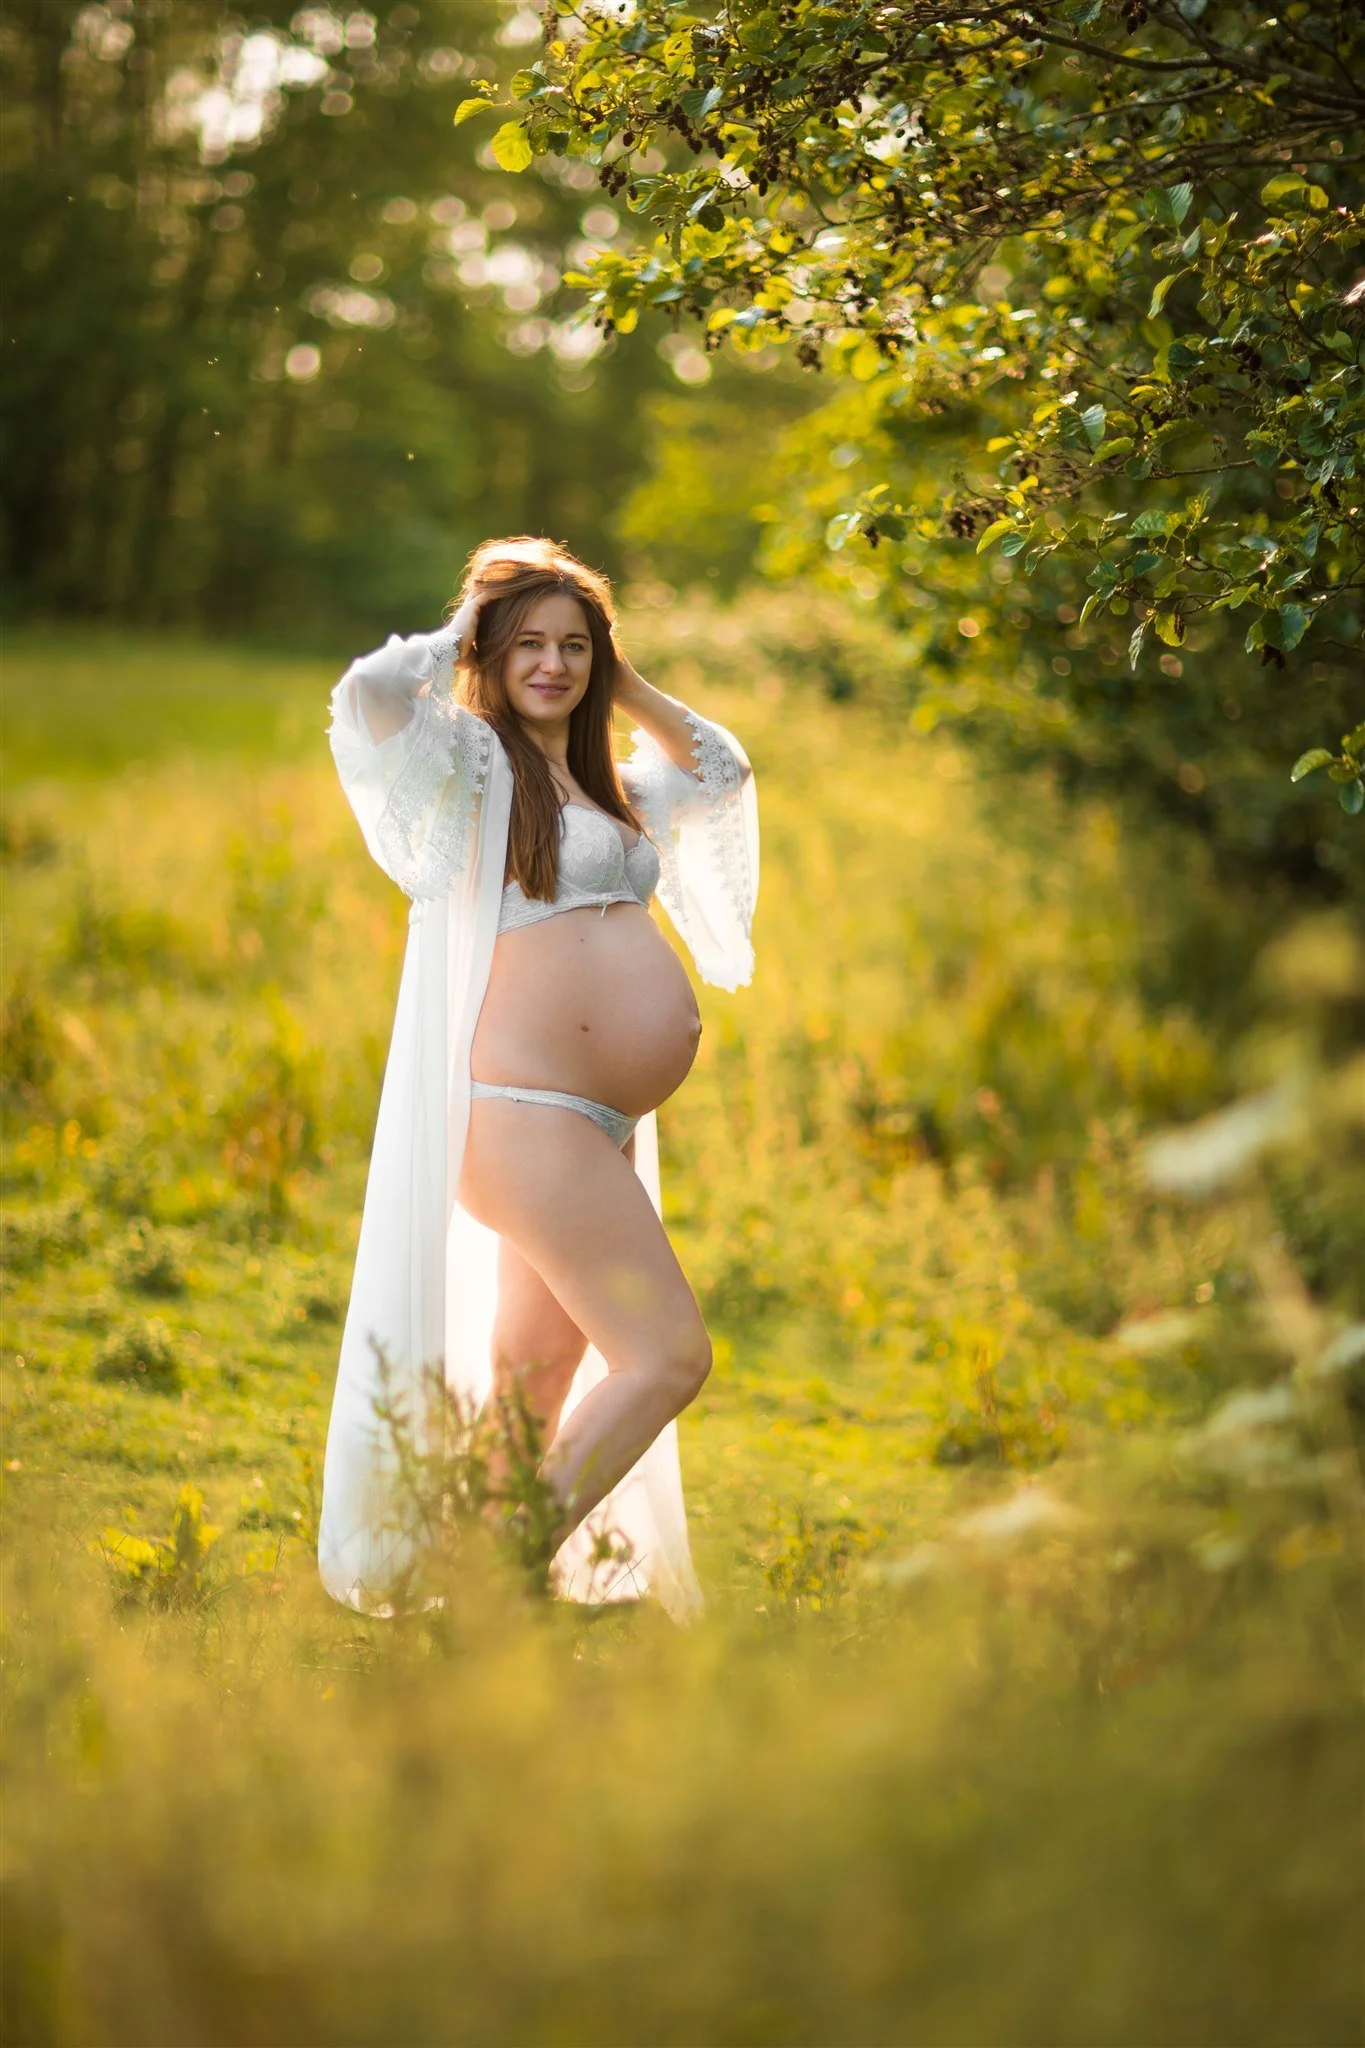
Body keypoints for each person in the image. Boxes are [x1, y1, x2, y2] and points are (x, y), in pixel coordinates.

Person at [319, 537, 759, 1619]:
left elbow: (722, 769)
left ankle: (457, 1592)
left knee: (535, 1372)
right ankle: (499, 1574)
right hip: (524, 1115)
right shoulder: (468, 768)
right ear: (493, 653)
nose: (553, 665)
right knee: (665, 1355)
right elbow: (366, 695)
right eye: (531, 645)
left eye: (574, 646)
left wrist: (626, 675)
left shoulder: (607, 781)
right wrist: (466, 626)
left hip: (589, 1122)